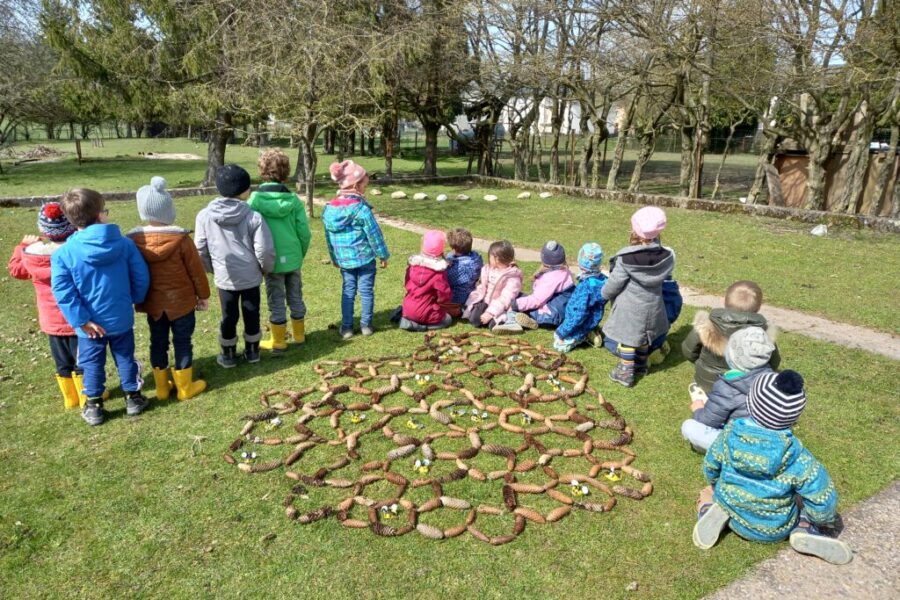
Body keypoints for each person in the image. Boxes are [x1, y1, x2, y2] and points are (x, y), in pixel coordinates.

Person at [693, 370, 852, 565]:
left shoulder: (728, 436)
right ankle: (805, 528)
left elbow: (710, 466)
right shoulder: (798, 457)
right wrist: (820, 519)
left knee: (707, 492)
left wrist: (715, 485)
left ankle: (710, 510)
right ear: (794, 417)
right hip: (774, 529)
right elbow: (822, 498)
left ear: (750, 404)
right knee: (803, 500)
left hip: (733, 513)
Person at [51, 189, 151, 426]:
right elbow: (141, 276)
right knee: (125, 356)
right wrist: (135, 298)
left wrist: (81, 320)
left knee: (91, 362)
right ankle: (133, 398)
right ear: (100, 215)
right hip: (118, 315)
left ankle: (94, 405)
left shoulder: (64, 253)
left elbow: (63, 292)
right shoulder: (125, 244)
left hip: (89, 324)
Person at [127, 177, 210, 400]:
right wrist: (203, 295)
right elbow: (196, 270)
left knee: (158, 341)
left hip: (153, 303)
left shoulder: (133, 240)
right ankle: (184, 387)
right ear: (169, 210)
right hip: (181, 301)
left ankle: (162, 388)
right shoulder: (181, 239)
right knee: (183, 341)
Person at [195, 164, 275, 367]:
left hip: (225, 276)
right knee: (252, 313)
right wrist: (265, 269)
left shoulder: (204, 216)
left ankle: (228, 354)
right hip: (250, 276)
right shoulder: (253, 216)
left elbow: (200, 249)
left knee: (228, 315)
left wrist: (212, 269)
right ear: (244, 191)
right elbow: (264, 250)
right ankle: (252, 352)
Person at [7, 202, 82, 409]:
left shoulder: (31, 255)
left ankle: (70, 398)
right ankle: (87, 395)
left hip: (51, 321)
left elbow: (16, 270)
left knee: (63, 362)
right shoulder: (75, 252)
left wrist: (21, 247)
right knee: (82, 361)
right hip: (76, 317)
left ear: (43, 229)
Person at [601, 206, 675, 387]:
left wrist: (604, 294)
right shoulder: (667, 256)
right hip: (653, 305)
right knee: (643, 336)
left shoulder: (626, 259)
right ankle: (641, 365)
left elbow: (615, 283)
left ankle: (626, 372)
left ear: (635, 231)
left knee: (628, 340)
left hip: (631, 308)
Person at [248, 149, 311, 353]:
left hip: (270, 260)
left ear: (262, 171)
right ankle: (299, 335)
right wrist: (299, 253)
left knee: (275, 298)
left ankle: (279, 341)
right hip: (292, 257)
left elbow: (248, 232)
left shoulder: (254, 201)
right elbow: (304, 233)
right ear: (286, 172)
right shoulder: (293, 201)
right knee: (295, 295)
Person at [322, 160, 390, 339]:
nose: (365, 189)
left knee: (348, 291)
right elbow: (374, 235)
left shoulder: (329, 210)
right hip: (365, 259)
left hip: (344, 260)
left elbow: (329, 239)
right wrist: (382, 255)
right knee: (366, 291)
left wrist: (335, 258)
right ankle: (366, 325)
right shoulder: (361, 209)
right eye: (364, 186)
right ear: (355, 185)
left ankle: (346, 328)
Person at [680, 327, 775, 452]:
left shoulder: (728, 387)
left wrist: (698, 409)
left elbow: (708, 420)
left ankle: (720, 453)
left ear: (732, 357)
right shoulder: (773, 380)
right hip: (768, 442)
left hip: (739, 445)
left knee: (689, 427)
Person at [682, 280, 781, 399]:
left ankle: (702, 397)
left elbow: (689, 351)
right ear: (759, 307)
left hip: (707, 383)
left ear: (724, 301)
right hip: (745, 388)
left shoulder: (706, 325)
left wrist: (700, 363)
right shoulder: (764, 333)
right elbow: (773, 362)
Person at [502, 240, 574, 332]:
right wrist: (539, 274)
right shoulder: (564, 272)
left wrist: (515, 304)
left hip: (551, 316)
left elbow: (537, 300)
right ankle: (529, 319)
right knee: (523, 298)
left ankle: (515, 321)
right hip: (564, 312)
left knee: (521, 305)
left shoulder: (551, 278)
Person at [553, 243, 607, 353]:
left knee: (559, 346)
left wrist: (562, 332)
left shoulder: (585, 287)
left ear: (581, 262)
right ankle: (591, 330)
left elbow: (579, 313)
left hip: (579, 322)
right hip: (593, 318)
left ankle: (581, 337)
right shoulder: (602, 280)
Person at [398, 230, 453, 332]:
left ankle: (406, 318)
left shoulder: (412, 266)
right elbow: (444, 295)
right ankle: (421, 327)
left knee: (414, 309)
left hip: (407, 308)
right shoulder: (438, 273)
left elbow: (406, 284)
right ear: (441, 249)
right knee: (448, 319)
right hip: (426, 312)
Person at [463, 240, 523, 332]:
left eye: (490, 256)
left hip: (501, 307)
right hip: (486, 302)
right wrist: (472, 300)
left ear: (496, 258)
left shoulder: (512, 276)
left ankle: (511, 320)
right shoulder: (488, 269)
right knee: (474, 320)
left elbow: (505, 298)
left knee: (492, 325)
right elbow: (482, 287)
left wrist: (490, 313)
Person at [444, 228, 483, 318]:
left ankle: (460, 310)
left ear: (454, 248)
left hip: (458, 298)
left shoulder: (460, 268)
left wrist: (443, 263)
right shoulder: (476, 257)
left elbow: (444, 280)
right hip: (470, 290)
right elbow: (451, 255)